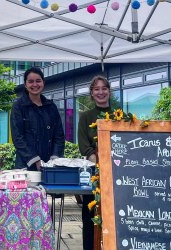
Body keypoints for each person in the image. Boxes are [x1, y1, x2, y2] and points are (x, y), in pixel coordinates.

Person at [78, 75, 112, 250]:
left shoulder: (119, 114)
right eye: (96, 89)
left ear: (109, 91)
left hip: (116, 173)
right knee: (90, 216)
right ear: (92, 93)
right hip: (94, 175)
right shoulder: (85, 116)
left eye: (104, 88)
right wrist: (101, 165)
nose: (101, 92)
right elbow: (84, 146)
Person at [10, 67, 65, 171]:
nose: (35, 85)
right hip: (25, 165)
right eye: (30, 82)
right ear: (25, 85)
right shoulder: (18, 107)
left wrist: (55, 158)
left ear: (43, 82)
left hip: (50, 164)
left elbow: (59, 136)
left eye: (38, 81)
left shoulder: (51, 106)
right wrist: (34, 159)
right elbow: (18, 138)